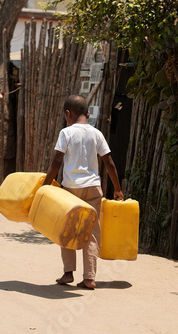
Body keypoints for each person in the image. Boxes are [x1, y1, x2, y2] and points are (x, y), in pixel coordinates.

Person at [43, 94, 124, 290]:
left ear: (68, 114)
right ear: (87, 113)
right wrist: (118, 189)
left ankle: (68, 272)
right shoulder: (97, 134)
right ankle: (89, 277)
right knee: (92, 232)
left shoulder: (66, 133)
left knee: (67, 228)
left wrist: (46, 184)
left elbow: (57, 161)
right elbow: (109, 164)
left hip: (71, 190)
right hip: (93, 188)